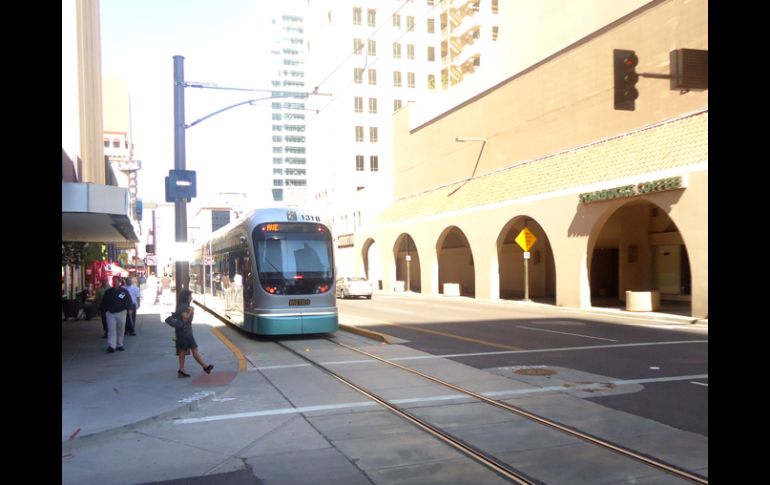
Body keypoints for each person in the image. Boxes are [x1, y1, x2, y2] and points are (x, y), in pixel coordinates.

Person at [173, 289, 214, 378]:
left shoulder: (181, 306)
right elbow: (185, 319)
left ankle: (182, 370)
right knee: (193, 349)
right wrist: (191, 310)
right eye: (190, 296)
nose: (191, 297)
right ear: (187, 297)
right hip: (185, 333)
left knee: (183, 351)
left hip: (184, 331)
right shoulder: (184, 307)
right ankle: (205, 367)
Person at [102, 275, 132, 353]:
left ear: (119, 282)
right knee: (111, 329)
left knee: (121, 329)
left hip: (121, 312)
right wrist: (105, 311)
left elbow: (129, 300)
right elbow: (104, 302)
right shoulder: (108, 292)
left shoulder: (124, 291)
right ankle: (112, 346)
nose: (114, 283)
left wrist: (129, 309)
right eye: (113, 281)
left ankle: (120, 344)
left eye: (116, 281)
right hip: (110, 313)